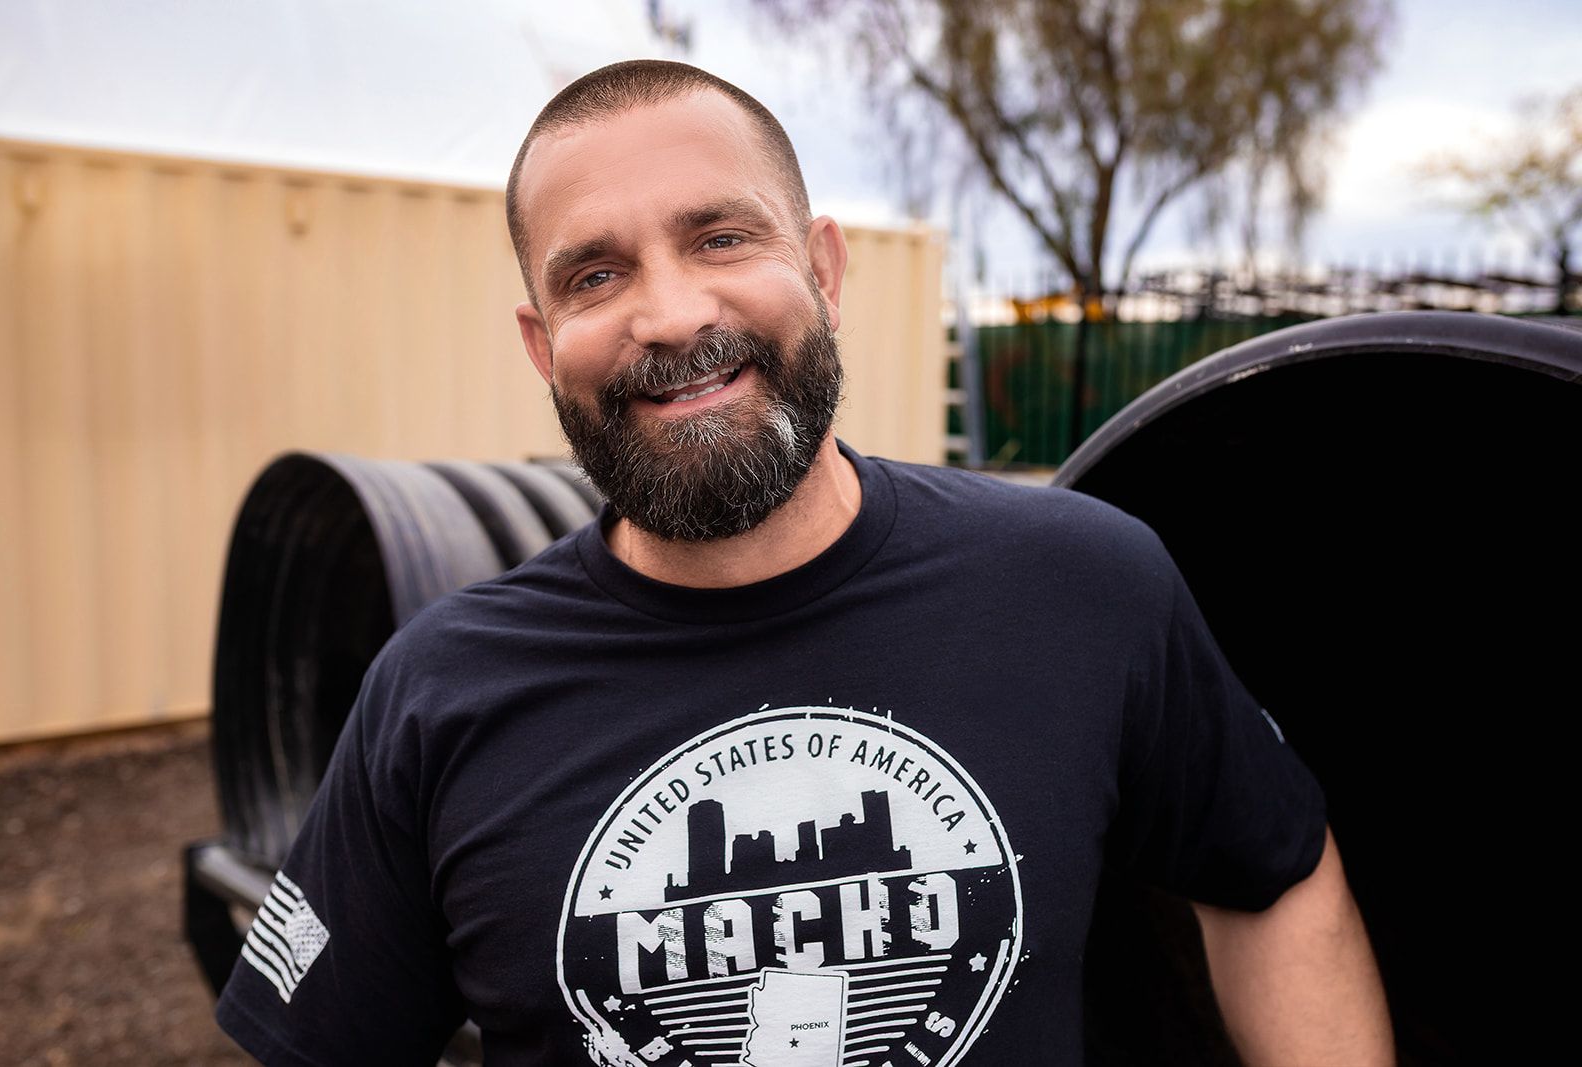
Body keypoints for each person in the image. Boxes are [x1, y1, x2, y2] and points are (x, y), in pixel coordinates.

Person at [216, 60, 1391, 1066]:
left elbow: (1271, 873)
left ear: (822, 270)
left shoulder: (1084, 583)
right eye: (593, 274)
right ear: (541, 344)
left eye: (720, 237)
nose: (670, 315)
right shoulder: (436, 690)